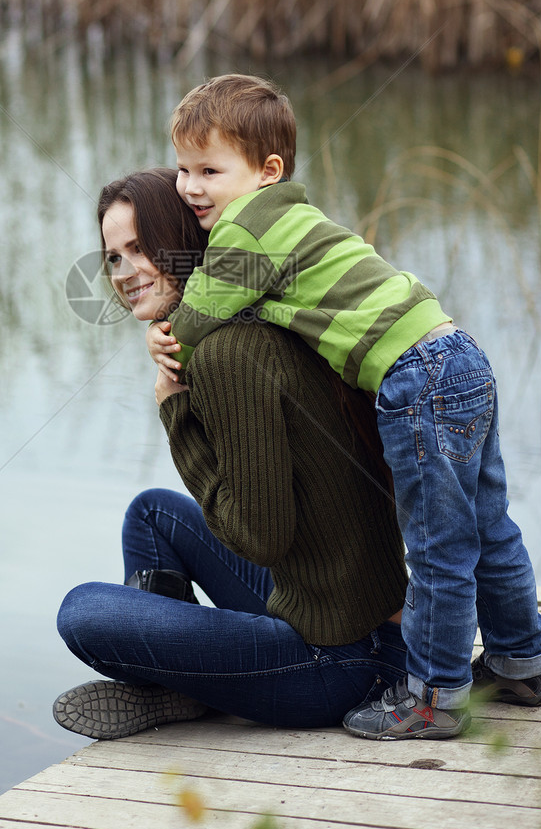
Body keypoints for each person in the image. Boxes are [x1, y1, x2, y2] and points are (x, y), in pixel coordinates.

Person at [148, 73, 541, 740]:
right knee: (486, 523)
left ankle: (434, 697)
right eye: (184, 169)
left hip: (413, 377)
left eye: (209, 170)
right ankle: (523, 660)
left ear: (266, 171)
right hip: (455, 353)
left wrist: (164, 349)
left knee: (436, 545)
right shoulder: (297, 220)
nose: (189, 186)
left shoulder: (247, 232)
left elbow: (199, 321)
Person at [53, 167, 409, 740]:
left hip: (345, 661)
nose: (123, 273)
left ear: (181, 240)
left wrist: (175, 414)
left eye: (140, 248)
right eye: (114, 256)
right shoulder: (257, 312)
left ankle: (186, 683)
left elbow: (260, 539)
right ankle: (184, 682)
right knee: (153, 514)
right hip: (330, 600)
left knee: (84, 612)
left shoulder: (226, 356)